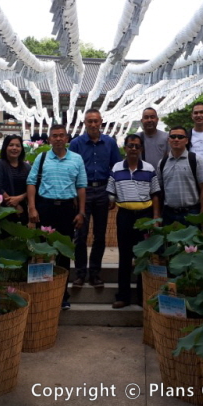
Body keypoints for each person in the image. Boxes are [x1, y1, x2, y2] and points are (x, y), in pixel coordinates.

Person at [27, 123, 87, 310]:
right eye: (55, 135)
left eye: (62, 135)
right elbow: (31, 182)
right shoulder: (42, 157)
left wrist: (81, 212)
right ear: (49, 139)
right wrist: (32, 208)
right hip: (45, 208)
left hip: (67, 210)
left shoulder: (76, 159)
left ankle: (62, 296)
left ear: (67, 138)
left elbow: (81, 187)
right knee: (42, 252)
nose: (58, 138)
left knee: (64, 254)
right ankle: (41, 294)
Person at [68, 108, 122, 288]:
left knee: (100, 235)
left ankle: (95, 273)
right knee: (80, 234)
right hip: (82, 191)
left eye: (95, 121)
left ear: (101, 122)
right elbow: (70, 170)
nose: (93, 124)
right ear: (84, 123)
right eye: (89, 121)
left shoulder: (110, 143)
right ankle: (80, 273)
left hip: (103, 192)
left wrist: (112, 194)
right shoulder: (76, 144)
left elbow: (116, 168)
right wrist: (74, 194)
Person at [107, 134, 161, 308]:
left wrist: (155, 217)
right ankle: (123, 296)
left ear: (141, 149)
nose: (133, 149)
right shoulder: (116, 168)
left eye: (137, 146)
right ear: (125, 148)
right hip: (124, 216)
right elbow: (111, 192)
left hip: (144, 217)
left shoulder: (149, 169)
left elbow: (155, 194)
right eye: (130, 145)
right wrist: (110, 200)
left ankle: (142, 296)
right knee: (124, 256)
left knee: (143, 256)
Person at [159, 125, 203, 226]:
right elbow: (160, 189)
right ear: (168, 140)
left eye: (180, 137)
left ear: (186, 140)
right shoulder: (162, 163)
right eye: (173, 137)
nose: (176, 139)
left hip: (191, 213)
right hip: (169, 215)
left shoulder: (195, 160)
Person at [0, 134, 31, 225]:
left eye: (18, 146)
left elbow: (32, 187)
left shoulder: (27, 167)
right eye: (11, 145)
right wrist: (15, 205)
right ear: (5, 147)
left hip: (22, 210)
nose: (14, 148)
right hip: (2, 210)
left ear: (21, 149)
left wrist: (19, 198)